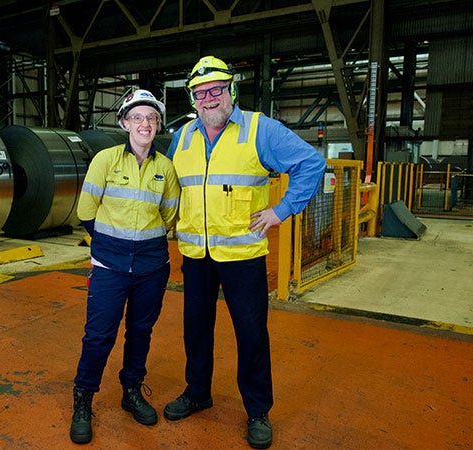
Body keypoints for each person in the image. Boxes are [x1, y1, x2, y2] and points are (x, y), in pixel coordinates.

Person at [163, 56, 326, 449]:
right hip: (196, 255)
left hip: (242, 257)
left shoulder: (259, 130)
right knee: (196, 331)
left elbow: (311, 162)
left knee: (251, 335)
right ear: (192, 99)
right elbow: (165, 184)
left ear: (231, 91)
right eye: (199, 93)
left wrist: (282, 209)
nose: (208, 99)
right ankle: (197, 392)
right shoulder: (182, 137)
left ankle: (257, 412)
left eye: (215, 90)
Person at [70, 89, 180, 444]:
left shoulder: (166, 168)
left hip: (151, 266)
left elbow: (169, 216)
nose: (144, 123)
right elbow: (86, 210)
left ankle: (130, 389)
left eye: (151, 117)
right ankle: (83, 399)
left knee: (140, 332)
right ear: (124, 122)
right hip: (109, 265)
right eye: (137, 117)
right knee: (99, 335)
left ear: (158, 124)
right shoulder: (104, 160)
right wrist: (108, 247)